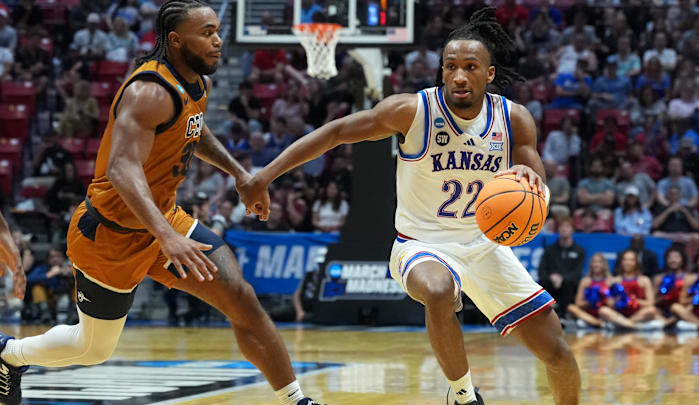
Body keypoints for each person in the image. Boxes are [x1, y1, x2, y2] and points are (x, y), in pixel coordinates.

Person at [243, 7, 581, 405]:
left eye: (470, 66)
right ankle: (462, 395)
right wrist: (265, 175)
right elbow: (336, 132)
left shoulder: (514, 119)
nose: (458, 75)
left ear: (489, 74)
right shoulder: (413, 111)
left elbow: (533, 178)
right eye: (450, 66)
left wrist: (533, 185)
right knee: (438, 291)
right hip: (422, 245)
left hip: (486, 247)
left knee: (558, 355)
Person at [0, 3, 322, 405]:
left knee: (240, 295)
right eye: (206, 32)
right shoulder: (148, 91)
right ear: (175, 40)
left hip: (164, 220)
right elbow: (121, 169)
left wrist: (239, 174)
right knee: (93, 348)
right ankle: (9, 355)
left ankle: (297, 400)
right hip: (110, 235)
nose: (218, 40)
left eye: (217, 30)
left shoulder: (195, 84)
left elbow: (193, 128)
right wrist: (166, 235)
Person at [598, 250, 663, 330]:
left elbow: (650, 303)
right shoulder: (613, 281)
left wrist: (632, 301)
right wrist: (617, 301)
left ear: (636, 262)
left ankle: (624, 324)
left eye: (631, 260)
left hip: (637, 314)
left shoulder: (644, 280)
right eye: (625, 260)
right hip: (619, 314)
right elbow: (609, 303)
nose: (627, 263)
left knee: (651, 310)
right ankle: (633, 326)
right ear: (621, 262)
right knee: (603, 310)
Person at [538, 219, 585, 319]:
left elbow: (577, 272)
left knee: (569, 283)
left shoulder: (579, 250)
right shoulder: (550, 250)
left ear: (572, 230)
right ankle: (544, 316)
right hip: (550, 283)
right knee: (540, 283)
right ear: (558, 229)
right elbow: (542, 270)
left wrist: (562, 278)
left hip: (568, 284)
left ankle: (564, 315)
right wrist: (551, 277)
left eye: (567, 227)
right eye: (561, 227)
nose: (564, 229)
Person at [567, 253, 612, 328]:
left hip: (604, 313)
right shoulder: (585, 281)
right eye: (594, 262)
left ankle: (590, 322)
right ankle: (598, 323)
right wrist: (591, 301)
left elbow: (613, 305)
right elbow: (578, 303)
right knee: (571, 307)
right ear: (590, 264)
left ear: (604, 265)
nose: (596, 264)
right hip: (588, 313)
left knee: (604, 310)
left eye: (599, 262)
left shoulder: (610, 281)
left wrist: (603, 298)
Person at [652, 246, 686, 324]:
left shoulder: (688, 277)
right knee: (650, 310)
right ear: (666, 260)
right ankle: (667, 323)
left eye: (676, 257)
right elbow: (652, 301)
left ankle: (669, 322)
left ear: (682, 260)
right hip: (662, 311)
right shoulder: (659, 278)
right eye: (670, 257)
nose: (673, 260)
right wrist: (664, 297)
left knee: (679, 308)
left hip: (680, 310)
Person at [0, 212, 26, 301]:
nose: (17, 242)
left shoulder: (27, 252)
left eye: (19, 238)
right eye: (15, 238)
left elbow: (24, 270)